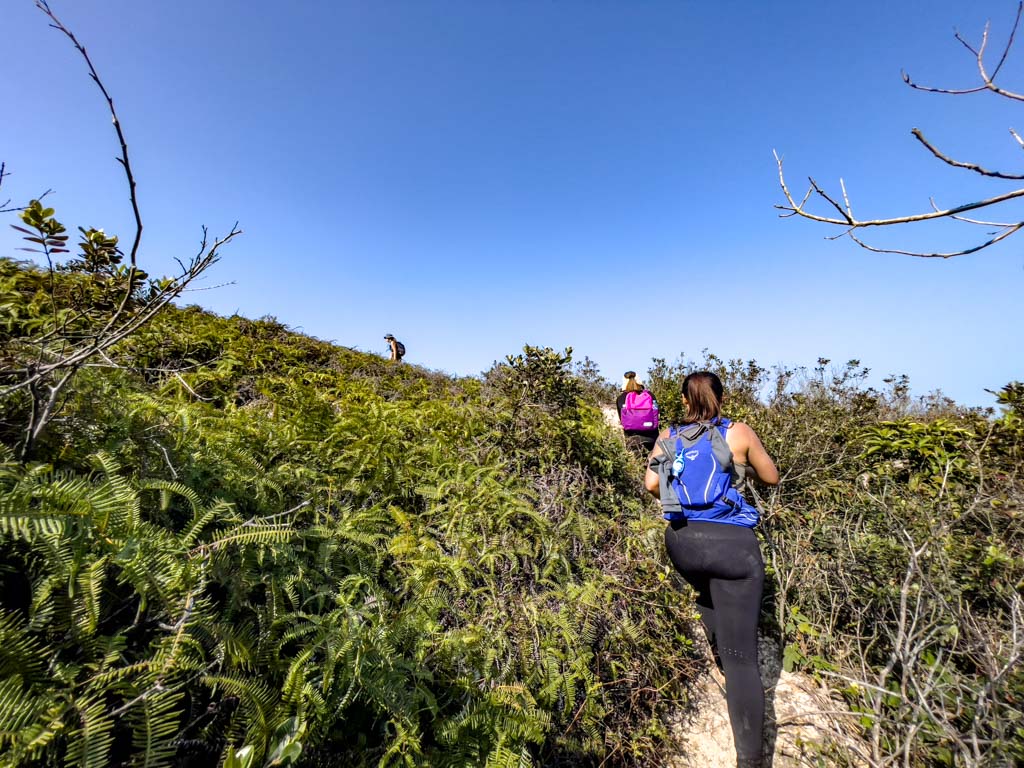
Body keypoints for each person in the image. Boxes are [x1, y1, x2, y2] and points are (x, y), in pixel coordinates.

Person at [644, 371, 779, 768]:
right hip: (733, 548)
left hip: (683, 544)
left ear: (685, 401)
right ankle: (751, 761)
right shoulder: (738, 433)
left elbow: (653, 485)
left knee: (706, 590)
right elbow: (770, 476)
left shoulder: (667, 435)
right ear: (721, 397)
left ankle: (719, 643)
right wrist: (742, 469)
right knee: (744, 660)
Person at [616, 371, 660, 453]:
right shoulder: (650, 395)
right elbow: (658, 415)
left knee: (638, 464)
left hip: (632, 439)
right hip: (652, 438)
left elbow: (621, 420)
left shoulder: (621, 398)